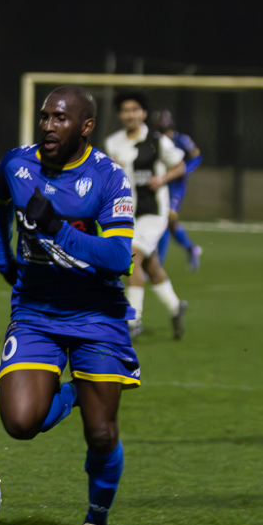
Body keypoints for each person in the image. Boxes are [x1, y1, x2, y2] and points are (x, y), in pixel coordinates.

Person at [0, 86, 139, 525]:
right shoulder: (17, 164)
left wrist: (55, 227)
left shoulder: (110, 179)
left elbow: (116, 256)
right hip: (35, 309)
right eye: (45, 117)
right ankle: (74, 390)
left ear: (86, 127)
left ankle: (96, 522)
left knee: (101, 433)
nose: (48, 126)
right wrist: (2, 254)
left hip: (96, 312)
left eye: (61, 119)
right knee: (19, 423)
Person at [105, 93, 188, 340]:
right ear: (120, 115)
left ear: (143, 113)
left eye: (135, 109)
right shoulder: (113, 142)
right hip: (127, 211)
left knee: (133, 256)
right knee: (151, 266)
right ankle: (175, 307)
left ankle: (133, 320)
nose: (130, 114)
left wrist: (162, 178)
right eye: (125, 110)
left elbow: (180, 166)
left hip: (153, 211)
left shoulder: (156, 140)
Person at [155, 110, 203, 271]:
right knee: (169, 224)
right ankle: (191, 249)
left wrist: (185, 169)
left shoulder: (182, 140)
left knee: (168, 219)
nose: (163, 123)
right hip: (161, 183)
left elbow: (196, 156)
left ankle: (158, 265)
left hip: (176, 185)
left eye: (166, 119)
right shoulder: (154, 140)